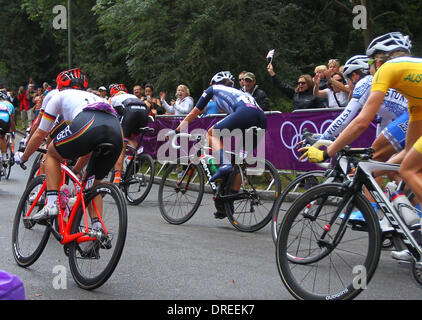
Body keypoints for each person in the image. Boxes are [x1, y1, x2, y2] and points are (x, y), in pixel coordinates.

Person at [300, 32, 417, 259]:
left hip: (410, 118)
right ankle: (413, 235)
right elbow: (382, 129)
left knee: (388, 165)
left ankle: (375, 215)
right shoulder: (405, 83)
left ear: (379, 61)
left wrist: (325, 148)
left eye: (373, 62)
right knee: (401, 169)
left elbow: (355, 119)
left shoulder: (374, 78)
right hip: (412, 116)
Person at [14, 68, 123, 224]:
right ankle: (97, 228)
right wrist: (77, 170)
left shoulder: (59, 96)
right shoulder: (98, 97)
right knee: (91, 184)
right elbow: (90, 150)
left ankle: (51, 203)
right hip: (115, 132)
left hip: (87, 122)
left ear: (60, 85)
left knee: (51, 152)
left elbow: (40, 133)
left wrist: (24, 156)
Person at [166, 71, 267, 218]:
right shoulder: (236, 93)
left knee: (211, 133)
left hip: (245, 113)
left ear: (213, 83)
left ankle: (224, 164)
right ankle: (227, 206)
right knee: (239, 163)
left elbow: (193, 113)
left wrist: (176, 131)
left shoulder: (212, 90)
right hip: (261, 118)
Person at [108, 83, 150, 184]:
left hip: (130, 111)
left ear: (112, 93)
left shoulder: (112, 99)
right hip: (144, 110)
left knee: (121, 147)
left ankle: (117, 179)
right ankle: (136, 155)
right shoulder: (131, 95)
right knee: (131, 137)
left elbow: (108, 116)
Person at [0, 91, 16, 170]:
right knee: (2, 137)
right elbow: (12, 120)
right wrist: (13, 130)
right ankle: (4, 158)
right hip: (6, 121)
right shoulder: (10, 105)